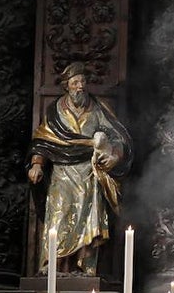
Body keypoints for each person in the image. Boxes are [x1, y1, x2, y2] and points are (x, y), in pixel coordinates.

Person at [28, 62, 133, 276]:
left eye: (83, 82)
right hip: (62, 174)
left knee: (89, 218)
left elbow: (118, 138)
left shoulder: (98, 108)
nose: (80, 87)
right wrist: (37, 164)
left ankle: (84, 266)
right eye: (75, 83)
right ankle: (53, 265)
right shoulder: (56, 110)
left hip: (90, 172)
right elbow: (43, 140)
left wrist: (114, 156)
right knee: (59, 215)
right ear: (66, 86)